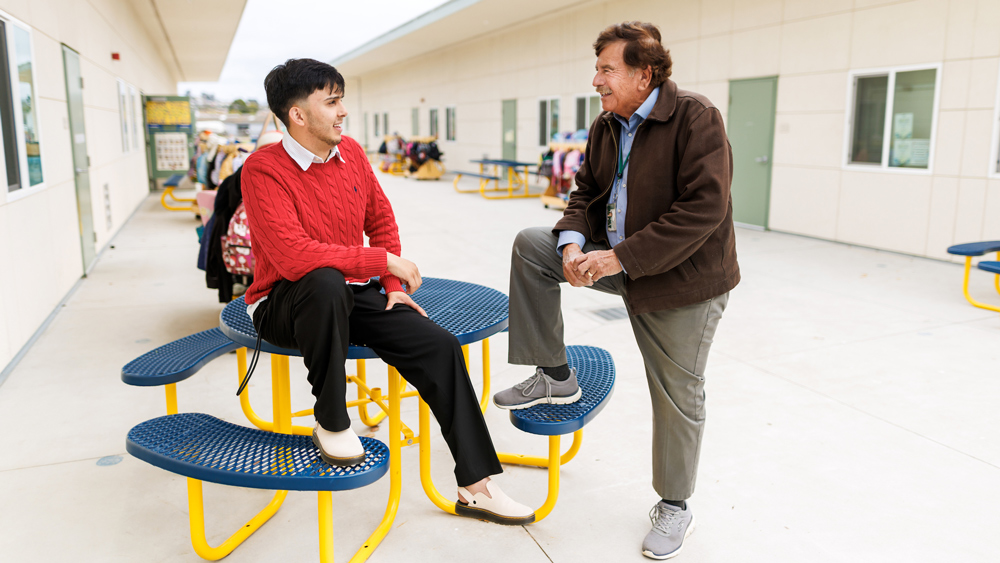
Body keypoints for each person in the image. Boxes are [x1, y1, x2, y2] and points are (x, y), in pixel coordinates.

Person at [240, 58, 534, 525]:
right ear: (297, 115)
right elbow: (295, 257)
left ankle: (476, 486)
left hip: (348, 292)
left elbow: (380, 220)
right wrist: (382, 262)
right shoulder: (261, 170)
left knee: (438, 345)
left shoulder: (351, 153)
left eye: (342, 101)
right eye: (331, 102)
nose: (342, 113)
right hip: (284, 301)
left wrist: (392, 285)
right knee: (322, 279)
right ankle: (332, 419)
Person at [492, 22, 739, 558]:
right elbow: (585, 188)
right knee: (532, 244)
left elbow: (704, 208)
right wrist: (573, 246)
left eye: (607, 68)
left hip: (682, 281)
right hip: (614, 259)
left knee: (677, 396)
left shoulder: (697, 117)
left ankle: (674, 505)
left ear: (644, 73)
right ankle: (556, 377)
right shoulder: (607, 123)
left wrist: (619, 257)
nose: (597, 79)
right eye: (598, 68)